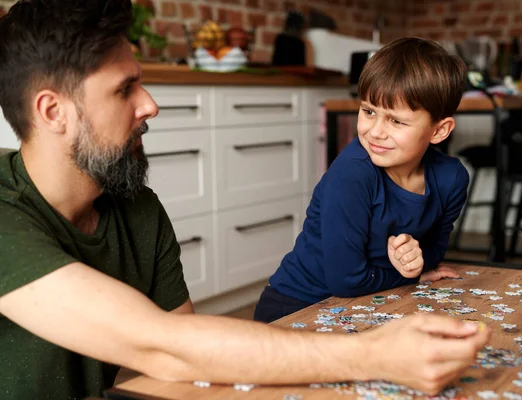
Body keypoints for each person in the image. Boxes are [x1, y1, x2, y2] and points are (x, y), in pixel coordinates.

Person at [0, 2, 490, 399]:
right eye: (125, 88)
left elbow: (189, 352)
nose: (150, 103)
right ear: (52, 111)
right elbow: (165, 349)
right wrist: (376, 355)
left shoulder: (135, 205)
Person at [254, 37, 470, 324]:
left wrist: (416, 260)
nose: (375, 132)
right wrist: (412, 275)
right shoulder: (352, 175)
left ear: (440, 131)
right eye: (369, 111)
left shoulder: (451, 178)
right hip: (296, 308)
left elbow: (434, 250)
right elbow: (346, 281)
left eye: (396, 121)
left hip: (370, 303)